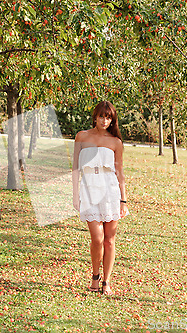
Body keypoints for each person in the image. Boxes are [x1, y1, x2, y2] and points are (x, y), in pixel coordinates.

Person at [72, 101, 129, 296]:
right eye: (101, 116)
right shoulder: (81, 136)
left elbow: (119, 172)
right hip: (88, 191)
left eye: (108, 117)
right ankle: (95, 276)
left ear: (112, 120)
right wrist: (75, 195)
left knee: (109, 240)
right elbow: (75, 169)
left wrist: (123, 199)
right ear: (95, 116)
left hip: (110, 192)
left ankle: (106, 281)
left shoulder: (116, 142)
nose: (104, 120)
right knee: (97, 239)